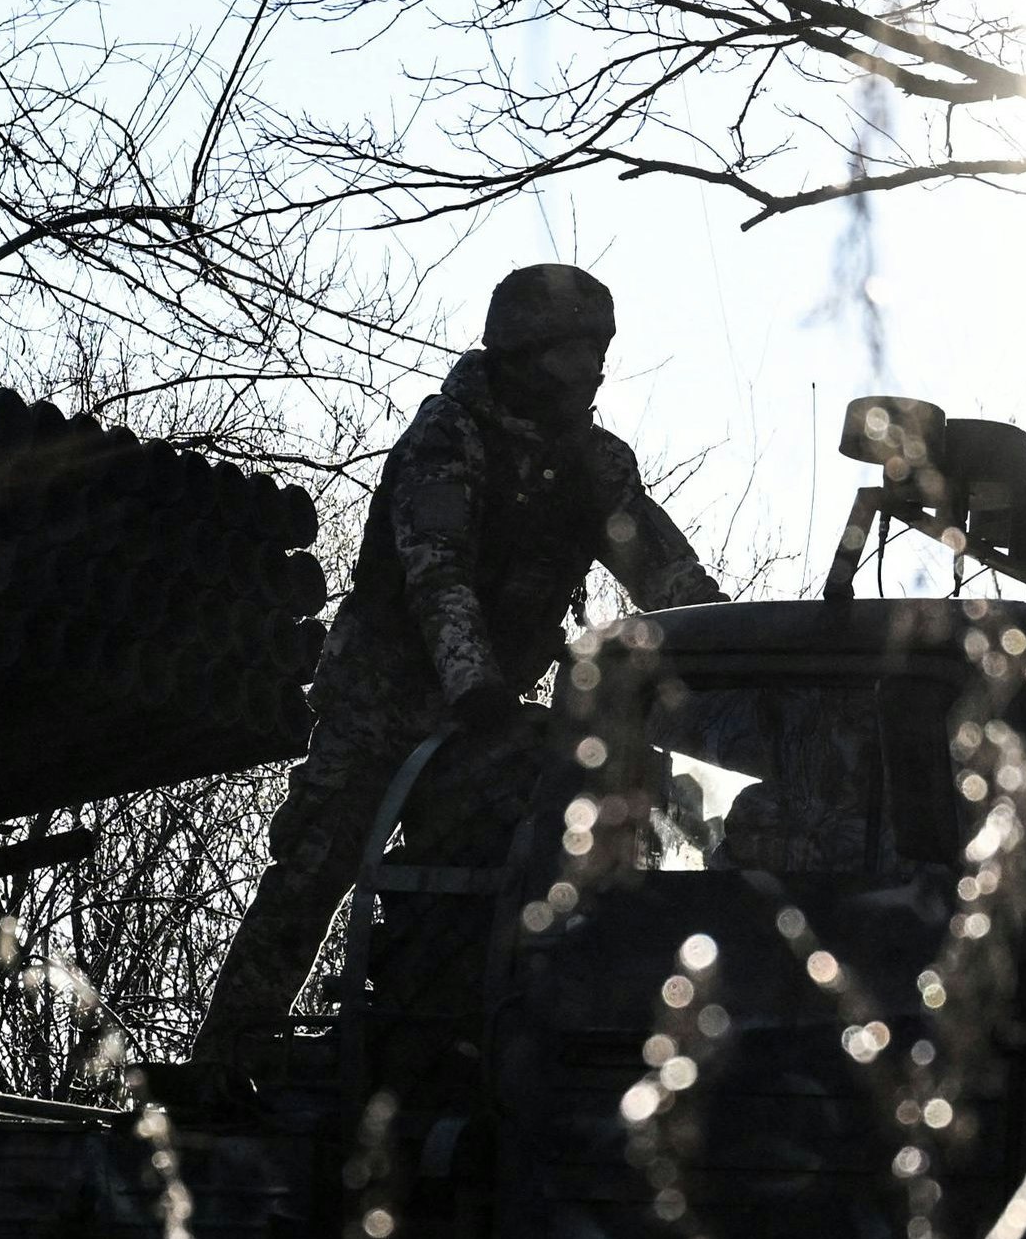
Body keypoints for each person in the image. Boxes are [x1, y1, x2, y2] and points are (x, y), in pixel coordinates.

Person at [201, 263, 724, 1045]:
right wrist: (474, 688)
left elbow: (668, 576)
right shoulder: (448, 438)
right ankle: (225, 1056)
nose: (592, 368)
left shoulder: (595, 464)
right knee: (317, 863)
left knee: (499, 871)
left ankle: (451, 1040)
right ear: (523, 350)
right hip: (382, 700)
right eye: (573, 349)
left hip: (485, 721)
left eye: (598, 348)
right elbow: (436, 573)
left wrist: (738, 643)